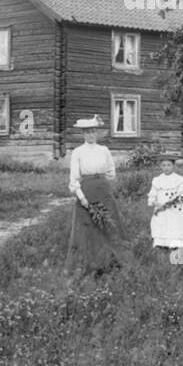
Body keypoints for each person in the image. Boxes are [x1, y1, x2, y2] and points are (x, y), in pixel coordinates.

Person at [66, 116, 130, 275]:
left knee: (108, 224)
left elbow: (111, 173)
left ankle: (110, 262)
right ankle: (91, 264)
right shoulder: (78, 152)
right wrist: (82, 198)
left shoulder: (104, 150)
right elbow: (74, 178)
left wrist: (104, 185)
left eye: (93, 132)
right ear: (83, 134)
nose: (90, 135)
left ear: (97, 133)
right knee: (88, 227)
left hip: (103, 191)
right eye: (87, 132)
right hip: (87, 191)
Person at [147, 155, 183, 266]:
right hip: (161, 213)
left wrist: (172, 202)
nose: (166, 168)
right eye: (163, 165)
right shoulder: (157, 180)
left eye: (169, 165)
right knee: (161, 236)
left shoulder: (179, 180)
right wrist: (156, 203)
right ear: (160, 166)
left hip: (175, 213)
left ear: (173, 166)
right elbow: (152, 196)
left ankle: (176, 262)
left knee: (175, 238)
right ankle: (163, 265)